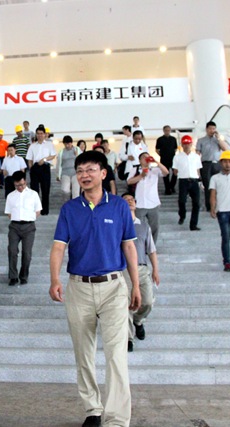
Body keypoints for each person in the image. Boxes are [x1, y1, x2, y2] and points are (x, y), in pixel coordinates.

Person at [49, 151, 141, 427]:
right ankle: (93, 409)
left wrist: (136, 285)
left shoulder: (119, 206)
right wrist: (54, 279)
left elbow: (129, 246)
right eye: (80, 171)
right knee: (83, 353)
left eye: (90, 169)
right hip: (79, 288)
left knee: (116, 355)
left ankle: (117, 419)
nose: (84, 175)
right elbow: (58, 247)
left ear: (103, 173)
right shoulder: (70, 209)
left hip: (113, 287)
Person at [120, 193, 159, 353]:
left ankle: (138, 320)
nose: (130, 202)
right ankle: (129, 338)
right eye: (126, 200)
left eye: (132, 200)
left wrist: (155, 269)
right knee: (127, 303)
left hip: (142, 268)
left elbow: (151, 250)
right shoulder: (118, 225)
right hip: (124, 270)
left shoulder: (144, 225)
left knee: (147, 301)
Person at [5, 171, 42, 286]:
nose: (20, 187)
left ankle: (24, 276)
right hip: (14, 226)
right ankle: (13, 276)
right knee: (12, 250)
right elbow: (9, 212)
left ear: (25, 181)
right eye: (17, 185)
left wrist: (29, 218)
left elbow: (38, 211)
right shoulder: (11, 196)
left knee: (27, 253)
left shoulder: (33, 194)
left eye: (22, 185)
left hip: (29, 227)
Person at [126, 152, 169, 244]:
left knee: (154, 227)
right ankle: (140, 245)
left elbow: (166, 172)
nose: (146, 159)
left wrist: (156, 162)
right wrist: (141, 175)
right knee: (139, 226)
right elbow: (129, 181)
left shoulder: (155, 170)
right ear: (140, 160)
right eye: (144, 157)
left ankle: (152, 246)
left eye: (148, 157)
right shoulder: (135, 169)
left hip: (153, 203)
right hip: (139, 203)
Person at [196, 121, 228, 211]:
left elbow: (225, 149)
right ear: (206, 129)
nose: (212, 130)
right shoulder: (201, 140)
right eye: (210, 128)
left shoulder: (217, 140)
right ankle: (209, 206)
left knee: (218, 185)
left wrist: (218, 138)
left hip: (217, 164)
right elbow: (197, 154)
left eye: (213, 129)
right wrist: (196, 167)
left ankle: (219, 205)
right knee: (207, 185)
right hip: (205, 164)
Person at [173, 135, 203, 231]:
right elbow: (175, 170)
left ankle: (193, 225)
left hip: (194, 181)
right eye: (185, 144)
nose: (186, 146)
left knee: (196, 203)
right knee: (182, 201)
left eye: (188, 144)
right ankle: (182, 215)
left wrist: (199, 180)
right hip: (183, 181)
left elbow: (198, 170)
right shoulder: (177, 157)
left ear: (191, 144)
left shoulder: (196, 157)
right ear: (182, 145)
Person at [26, 125, 57, 215]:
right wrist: (31, 169)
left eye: (41, 133)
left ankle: (45, 210)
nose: (40, 135)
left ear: (44, 134)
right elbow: (29, 159)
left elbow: (53, 155)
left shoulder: (49, 144)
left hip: (45, 167)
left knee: (45, 189)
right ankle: (36, 209)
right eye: (38, 133)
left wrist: (44, 159)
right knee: (34, 190)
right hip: (35, 168)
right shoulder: (32, 146)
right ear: (36, 134)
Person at [155, 125, 178, 195]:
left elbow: (175, 148)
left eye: (168, 130)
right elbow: (157, 149)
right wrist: (161, 155)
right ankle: (167, 189)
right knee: (165, 174)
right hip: (164, 159)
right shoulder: (160, 139)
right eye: (166, 130)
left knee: (175, 173)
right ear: (163, 131)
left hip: (173, 159)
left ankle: (172, 186)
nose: (167, 132)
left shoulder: (173, 139)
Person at [57, 135, 81, 200]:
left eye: (68, 144)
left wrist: (77, 155)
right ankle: (67, 203)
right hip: (65, 172)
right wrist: (58, 175)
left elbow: (81, 160)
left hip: (75, 173)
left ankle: (75, 205)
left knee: (76, 192)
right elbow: (59, 164)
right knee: (65, 190)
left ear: (71, 143)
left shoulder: (77, 149)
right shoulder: (62, 152)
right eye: (65, 144)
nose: (67, 145)